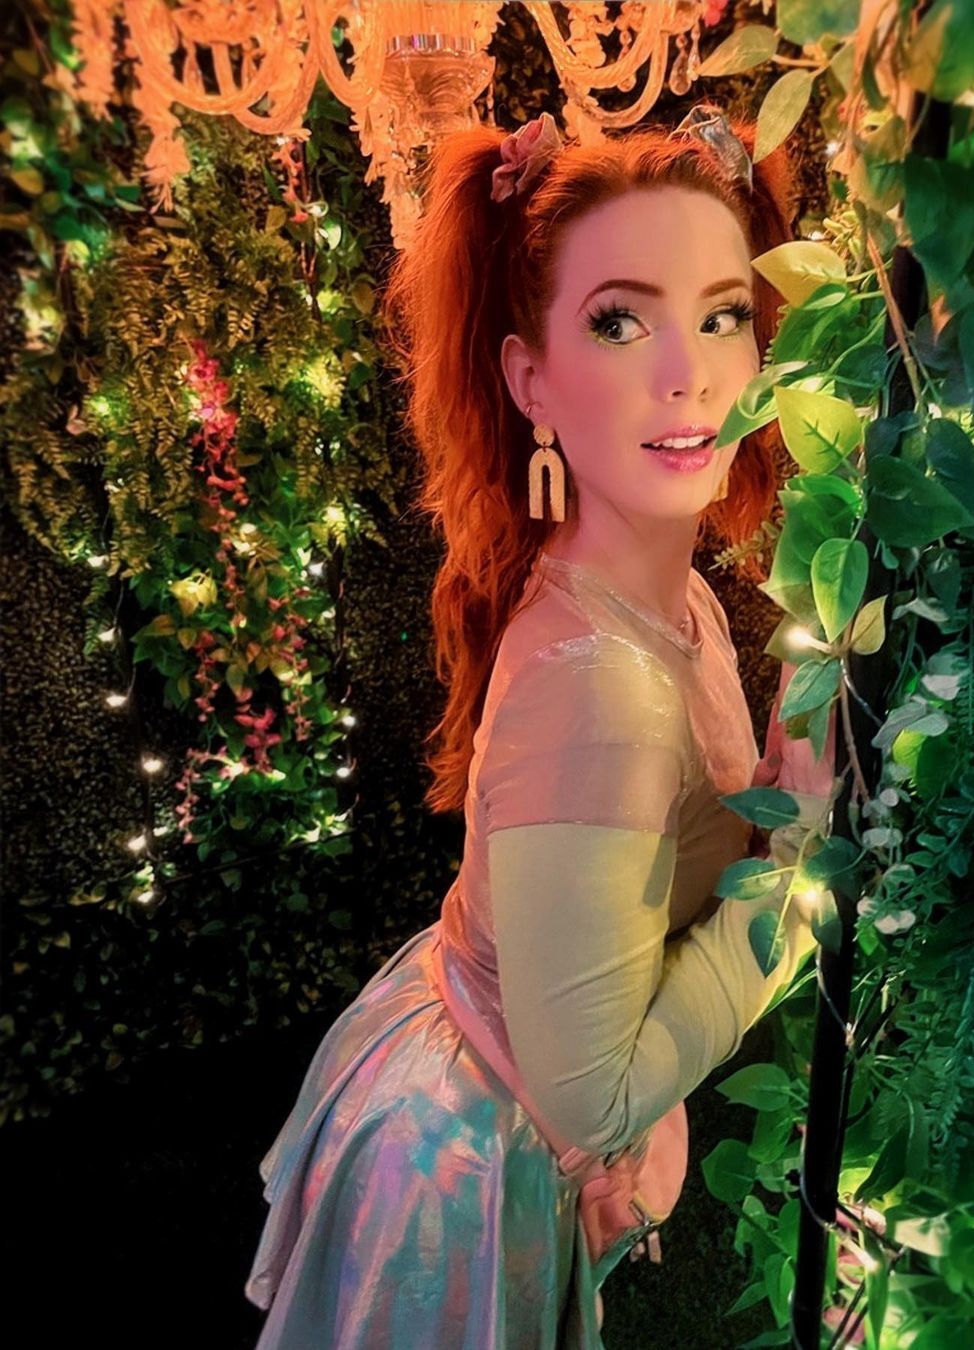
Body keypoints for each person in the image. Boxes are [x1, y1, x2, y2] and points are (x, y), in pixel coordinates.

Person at [244, 105, 837, 1349]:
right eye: (620, 321)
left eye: (722, 314)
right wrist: (798, 874)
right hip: (466, 1166)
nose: (689, 373)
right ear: (532, 380)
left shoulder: (661, 595)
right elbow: (598, 1101)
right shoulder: (597, 685)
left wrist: (764, 803)